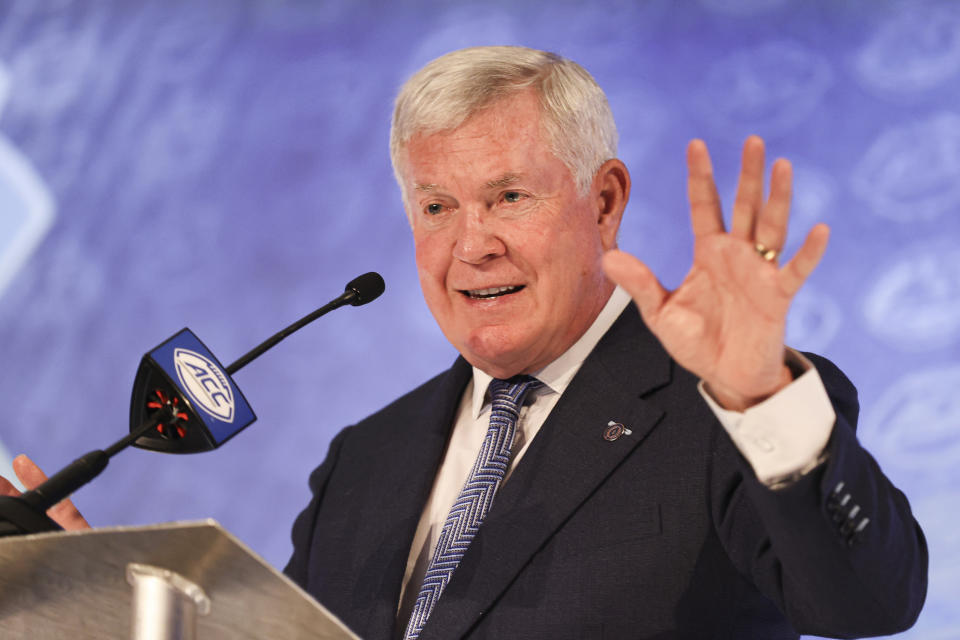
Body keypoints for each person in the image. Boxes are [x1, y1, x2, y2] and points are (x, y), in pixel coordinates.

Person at [2, 46, 927, 639]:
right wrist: (106, 608)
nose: (470, 242)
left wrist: (760, 397)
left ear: (603, 202)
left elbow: (868, 604)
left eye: (508, 197)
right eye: (436, 207)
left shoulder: (730, 405)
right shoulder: (366, 461)